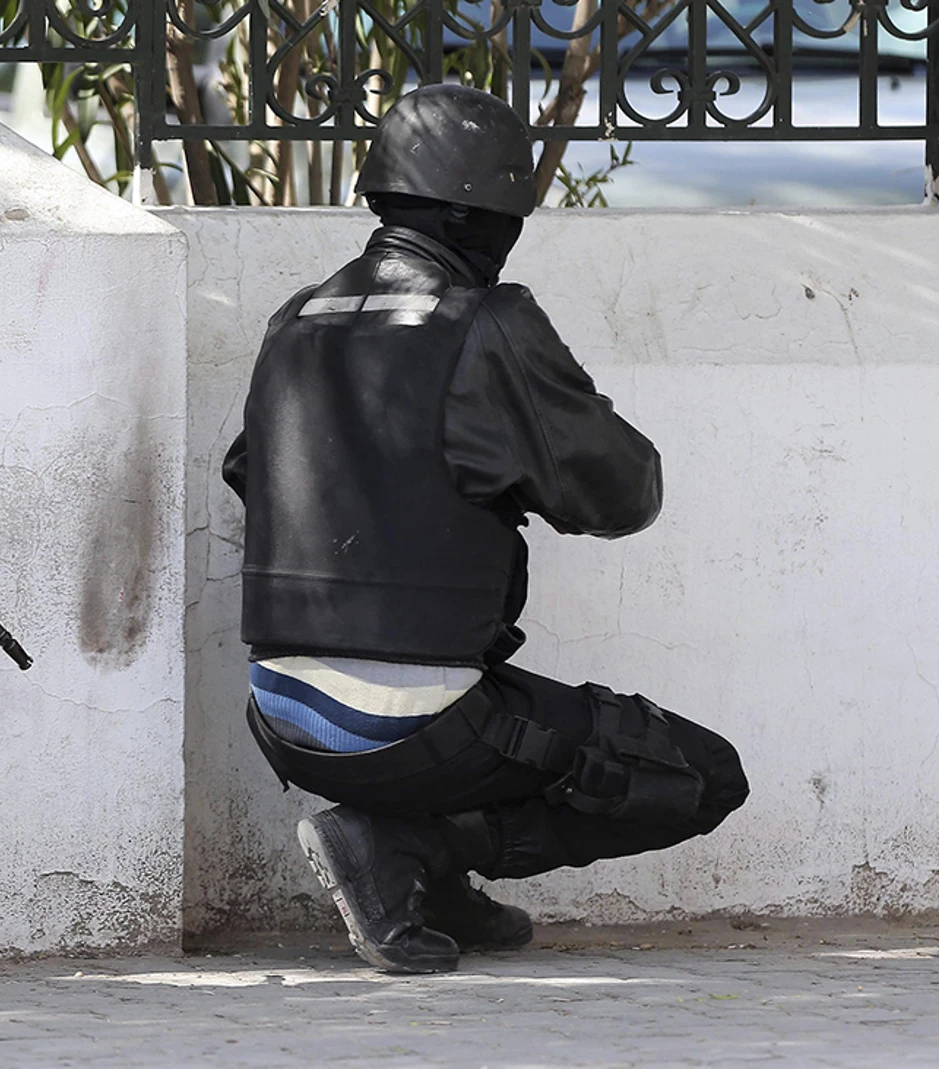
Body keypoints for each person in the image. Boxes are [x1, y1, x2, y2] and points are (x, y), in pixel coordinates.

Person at [221, 85, 749, 974]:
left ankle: (419, 870)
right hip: (411, 721)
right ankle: (413, 853)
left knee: (497, 710)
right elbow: (621, 492)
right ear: (479, 213)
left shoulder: (296, 318)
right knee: (699, 775)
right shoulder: (484, 323)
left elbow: (249, 469)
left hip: (278, 715)